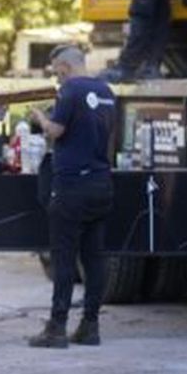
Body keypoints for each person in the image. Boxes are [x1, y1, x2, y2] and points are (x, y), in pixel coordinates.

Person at [29, 45, 116, 348]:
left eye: (56, 70)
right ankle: (90, 326)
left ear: (65, 66)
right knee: (95, 258)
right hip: (101, 183)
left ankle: (57, 328)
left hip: (71, 186)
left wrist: (40, 117)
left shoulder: (70, 91)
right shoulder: (106, 92)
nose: (56, 75)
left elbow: (56, 130)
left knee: (63, 258)